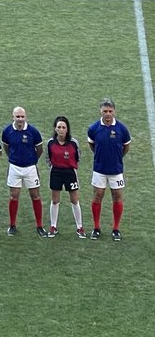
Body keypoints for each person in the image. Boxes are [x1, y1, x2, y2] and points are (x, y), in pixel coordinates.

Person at [87, 98, 131, 241]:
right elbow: (92, 145)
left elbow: (126, 147)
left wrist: (116, 158)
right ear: (100, 111)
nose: (107, 114)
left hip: (116, 170)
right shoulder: (93, 128)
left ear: (114, 112)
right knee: (98, 196)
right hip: (99, 169)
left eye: (110, 111)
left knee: (117, 197)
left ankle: (116, 229)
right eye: (105, 111)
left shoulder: (122, 129)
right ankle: (96, 227)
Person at [1, 106, 47, 237]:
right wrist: (14, 158)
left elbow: (39, 149)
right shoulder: (7, 131)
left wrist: (32, 160)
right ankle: (12, 225)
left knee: (35, 196)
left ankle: (39, 226)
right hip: (14, 168)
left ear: (25, 117)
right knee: (14, 196)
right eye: (17, 117)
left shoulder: (33, 132)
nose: (20, 119)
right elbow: (6, 147)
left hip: (30, 168)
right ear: (13, 117)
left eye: (22, 117)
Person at [46, 115, 85, 238]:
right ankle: (53, 226)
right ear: (55, 129)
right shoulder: (50, 143)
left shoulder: (74, 143)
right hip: (56, 172)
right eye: (59, 127)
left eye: (63, 127)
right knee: (55, 200)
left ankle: (79, 227)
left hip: (70, 173)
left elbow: (78, 157)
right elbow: (48, 158)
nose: (61, 129)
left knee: (74, 200)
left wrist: (70, 166)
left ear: (67, 129)